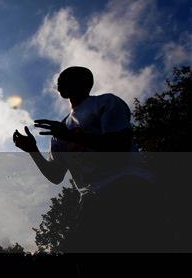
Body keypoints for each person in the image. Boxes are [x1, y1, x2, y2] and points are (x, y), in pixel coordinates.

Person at [13, 66, 157, 252]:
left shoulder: (106, 103)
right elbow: (55, 175)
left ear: (85, 82)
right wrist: (32, 150)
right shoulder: (59, 132)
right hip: (92, 197)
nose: (59, 82)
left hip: (127, 183)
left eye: (67, 78)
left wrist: (72, 136)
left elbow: (118, 146)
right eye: (59, 80)